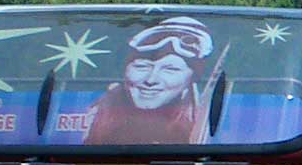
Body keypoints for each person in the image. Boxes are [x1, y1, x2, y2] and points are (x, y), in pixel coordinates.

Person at [84, 15, 215, 145]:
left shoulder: (214, 124)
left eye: (170, 70)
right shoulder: (93, 115)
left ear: (193, 78)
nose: (151, 80)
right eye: (142, 67)